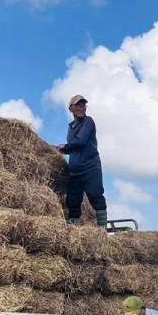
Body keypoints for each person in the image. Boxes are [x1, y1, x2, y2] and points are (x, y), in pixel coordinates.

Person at [58, 95, 108, 229]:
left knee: (95, 194)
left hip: (90, 167)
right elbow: (73, 147)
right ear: (71, 109)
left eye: (83, 105)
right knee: (73, 199)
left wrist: (63, 147)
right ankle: (74, 227)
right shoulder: (71, 127)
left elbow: (80, 142)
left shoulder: (88, 122)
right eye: (78, 105)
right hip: (75, 170)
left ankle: (102, 229)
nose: (81, 108)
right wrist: (58, 150)